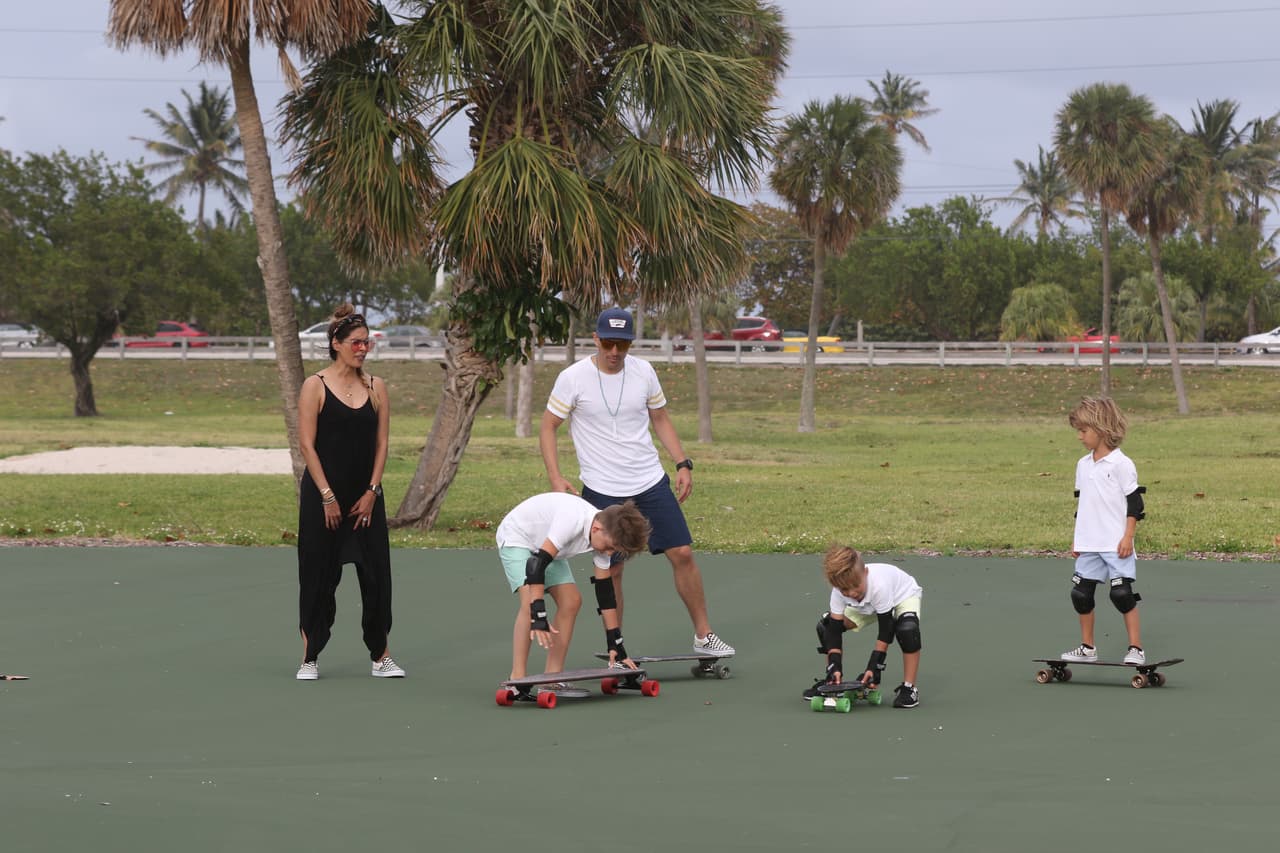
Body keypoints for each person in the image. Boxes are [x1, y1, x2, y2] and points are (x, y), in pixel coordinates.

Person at [540, 307, 735, 658]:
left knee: (682, 553)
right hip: (602, 488)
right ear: (596, 339)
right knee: (611, 567)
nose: (615, 352)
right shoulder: (573, 378)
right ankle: (617, 648)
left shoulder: (644, 371)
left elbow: (660, 418)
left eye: (623, 344)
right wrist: (556, 477)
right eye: (608, 343)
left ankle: (704, 636)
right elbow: (548, 426)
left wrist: (682, 463)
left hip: (649, 481)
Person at [295, 304, 404, 680]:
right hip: (323, 498)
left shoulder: (376, 387)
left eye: (367, 342)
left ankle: (381, 656)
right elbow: (307, 445)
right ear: (336, 344)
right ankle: (309, 657)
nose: (363, 349)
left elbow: (382, 443)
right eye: (356, 342)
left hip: (366, 499)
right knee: (318, 577)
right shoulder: (315, 386)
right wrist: (327, 496)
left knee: (376, 577)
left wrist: (373, 490)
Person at [497, 492, 651, 695]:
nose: (609, 553)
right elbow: (536, 565)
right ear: (596, 529)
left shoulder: (603, 532)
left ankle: (552, 678)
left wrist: (615, 643)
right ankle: (516, 680)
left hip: (546, 546)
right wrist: (539, 613)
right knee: (529, 604)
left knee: (571, 601)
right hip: (518, 537)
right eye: (610, 547)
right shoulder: (571, 520)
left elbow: (605, 594)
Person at [1061, 396, 1147, 665]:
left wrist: (1128, 536)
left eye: (1083, 430)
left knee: (1121, 594)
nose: (1079, 436)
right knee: (1080, 594)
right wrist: (1077, 539)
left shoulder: (1122, 464)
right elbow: (1083, 505)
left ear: (1101, 428)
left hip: (1115, 543)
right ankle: (1088, 648)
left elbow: (1135, 504)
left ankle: (1136, 649)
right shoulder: (1083, 465)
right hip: (1089, 543)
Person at [804, 545, 923, 709]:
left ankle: (909, 688)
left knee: (907, 630)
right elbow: (834, 630)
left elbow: (886, 629)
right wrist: (834, 665)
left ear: (865, 573)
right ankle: (832, 679)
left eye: (855, 585)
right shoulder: (839, 591)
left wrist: (874, 666)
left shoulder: (879, 585)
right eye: (845, 589)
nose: (851, 593)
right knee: (826, 626)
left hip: (901, 596)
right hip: (868, 605)